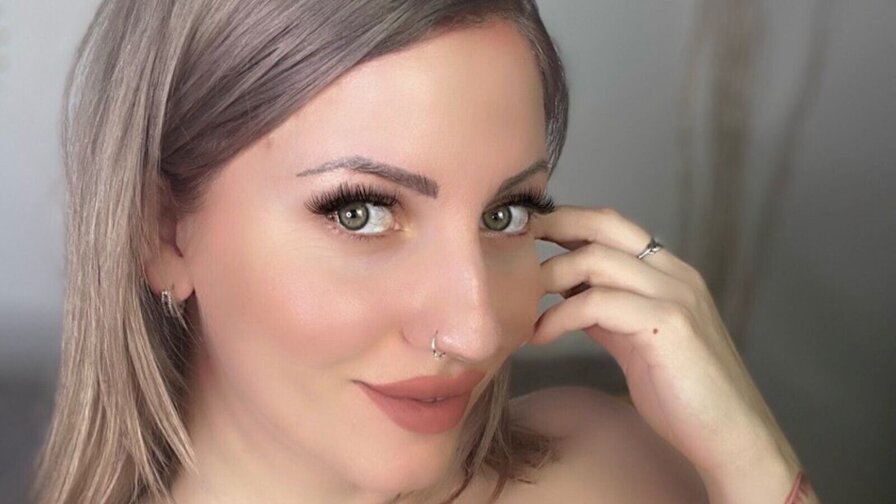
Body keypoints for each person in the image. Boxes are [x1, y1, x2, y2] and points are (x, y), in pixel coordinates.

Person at [30, 1, 820, 503]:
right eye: (361, 212)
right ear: (163, 232)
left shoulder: (613, 472)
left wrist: (750, 460)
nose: (474, 331)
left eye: (505, 213)